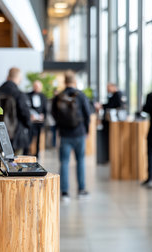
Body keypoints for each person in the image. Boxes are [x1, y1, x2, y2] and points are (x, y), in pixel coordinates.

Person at [52, 70, 91, 201]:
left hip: (64, 134)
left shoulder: (59, 96)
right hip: (79, 133)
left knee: (64, 162)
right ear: (74, 81)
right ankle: (81, 190)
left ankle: (64, 193)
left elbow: (54, 114)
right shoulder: (80, 95)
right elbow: (87, 114)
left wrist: (59, 127)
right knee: (80, 161)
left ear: (65, 81)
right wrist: (87, 130)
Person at [0, 67, 32, 154]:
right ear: (19, 78)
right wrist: (29, 125)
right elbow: (25, 115)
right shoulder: (19, 94)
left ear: (8, 77)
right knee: (15, 165)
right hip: (15, 137)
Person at [24, 80, 48, 157]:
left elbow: (45, 109)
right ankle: (26, 153)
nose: (37, 88)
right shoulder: (27, 95)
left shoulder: (43, 96)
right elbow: (26, 108)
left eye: (38, 86)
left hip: (39, 122)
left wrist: (43, 115)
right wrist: (30, 116)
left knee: (38, 139)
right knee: (28, 138)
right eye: (35, 86)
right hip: (31, 122)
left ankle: (37, 154)